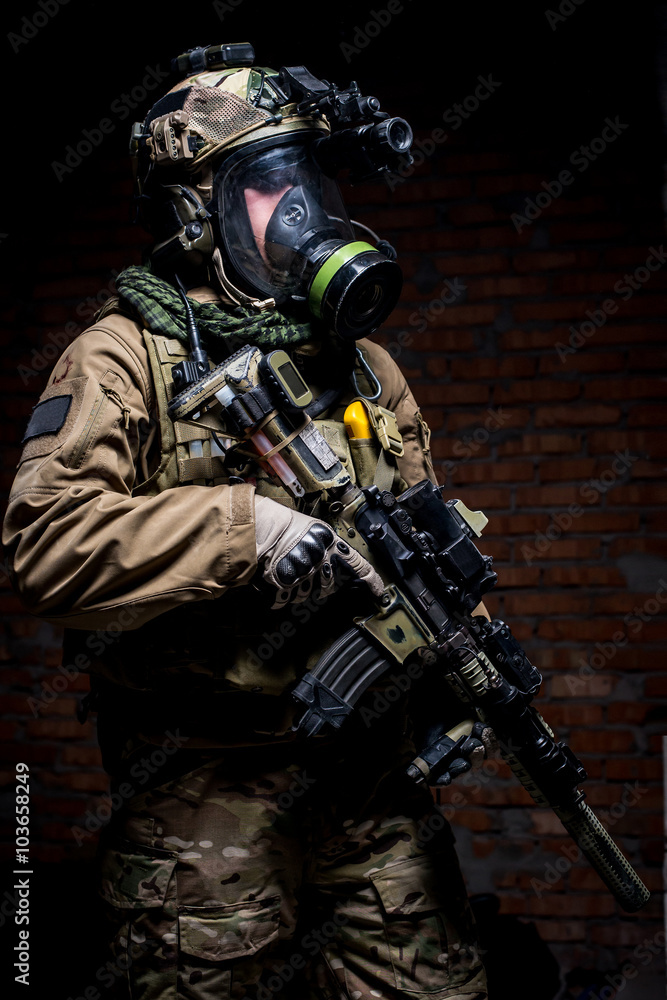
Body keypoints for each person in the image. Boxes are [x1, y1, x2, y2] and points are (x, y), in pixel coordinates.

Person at [3, 43, 489, 999]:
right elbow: (43, 546)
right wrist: (242, 528)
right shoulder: (121, 359)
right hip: (204, 806)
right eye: (267, 183)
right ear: (198, 209)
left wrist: (458, 681)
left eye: (308, 175)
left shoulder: (364, 365)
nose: (300, 206)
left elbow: (421, 549)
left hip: (373, 794)